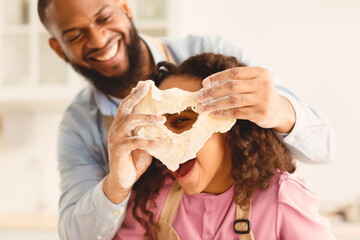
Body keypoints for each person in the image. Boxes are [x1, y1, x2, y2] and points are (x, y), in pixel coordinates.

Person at [36, 0, 335, 239]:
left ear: (126, 8)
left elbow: (325, 147)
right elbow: (77, 235)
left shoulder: (281, 201)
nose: (99, 39)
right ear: (58, 49)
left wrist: (278, 111)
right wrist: (117, 184)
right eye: (74, 35)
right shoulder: (148, 198)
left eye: (103, 18)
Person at [114, 53, 336, 240]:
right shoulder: (152, 197)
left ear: (227, 123)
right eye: (154, 127)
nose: (163, 142)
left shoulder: (281, 198)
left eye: (181, 121)